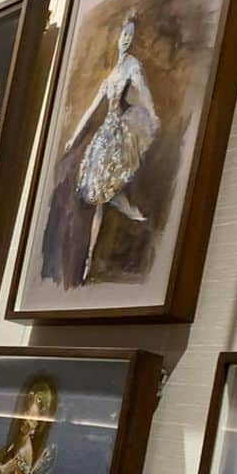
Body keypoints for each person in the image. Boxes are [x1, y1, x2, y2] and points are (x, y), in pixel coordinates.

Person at [63, 14, 160, 282]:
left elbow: (144, 91)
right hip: (104, 136)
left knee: (106, 192)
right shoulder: (110, 76)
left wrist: (152, 114)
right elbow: (91, 109)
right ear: (118, 38)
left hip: (119, 134)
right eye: (124, 35)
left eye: (130, 36)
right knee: (98, 198)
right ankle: (89, 258)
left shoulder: (133, 67)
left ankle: (125, 213)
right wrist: (74, 136)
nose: (126, 40)